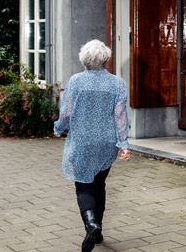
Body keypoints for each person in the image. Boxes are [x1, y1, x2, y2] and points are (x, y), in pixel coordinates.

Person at [54, 39, 130, 251]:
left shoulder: (76, 81)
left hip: (82, 143)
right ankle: (98, 231)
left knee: (83, 186)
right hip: (106, 143)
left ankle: (92, 224)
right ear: (106, 59)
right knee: (99, 184)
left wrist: (58, 128)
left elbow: (66, 113)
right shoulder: (116, 83)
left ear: (84, 59)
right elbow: (121, 116)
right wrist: (123, 143)